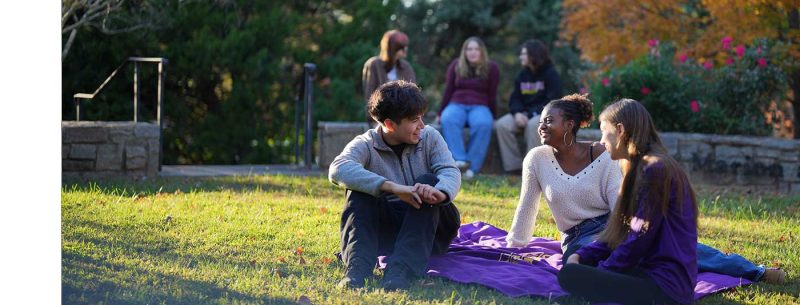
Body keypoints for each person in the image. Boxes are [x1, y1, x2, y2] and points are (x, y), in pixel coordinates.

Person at [503, 95, 786, 291]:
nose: (541, 126)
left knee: (673, 247)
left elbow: (619, 201)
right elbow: (527, 205)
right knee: (577, 267)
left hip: (611, 222)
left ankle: (754, 270)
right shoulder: (536, 159)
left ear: (569, 125)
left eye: (548, 120)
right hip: (577, 235)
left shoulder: (605, 153)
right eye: (541, 121)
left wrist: (620, 232)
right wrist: (514, 246)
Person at [329, 80, 461, 291]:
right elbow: (337, 169)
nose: (422, 125)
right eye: (414, 119)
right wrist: (392, 187)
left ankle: (401, 271)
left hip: (432, 229)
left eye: (421, 117)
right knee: (358, 190)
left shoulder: (430, 137)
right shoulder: (366, 143)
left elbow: (450, 171)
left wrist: (440, 192)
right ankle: (357, 270)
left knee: (427, 182)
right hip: (389, 230)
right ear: (390, 124)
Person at [494, 39, 562, 173]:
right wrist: (518, 113)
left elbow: (553, 101)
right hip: (523, 114)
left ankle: (533, 168)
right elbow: (515, 98)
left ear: (534, 55)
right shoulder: (522, 74)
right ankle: (513, 168)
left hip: (543, 114)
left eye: (524, 54)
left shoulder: (551, 74)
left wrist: (530, 114)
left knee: (533, 125)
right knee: (502, 125)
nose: (521, 57)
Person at [438, 37, 500, 179]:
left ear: (482, 51)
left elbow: (492, 94)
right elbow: (448, 90)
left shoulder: (492, 68)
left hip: (480, 105)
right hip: (456, 104)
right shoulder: (456, 65)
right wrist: (441, 112)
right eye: (469, 49)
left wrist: (493, 116)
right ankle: (460, 161)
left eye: (476, 49)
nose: (472, 52)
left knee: (484, 123)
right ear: (464, 52)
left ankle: (472, 168)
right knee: (448, 118)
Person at [362, 30, 417, 125]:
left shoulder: (406, 67)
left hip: (404, 117)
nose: (405, 49)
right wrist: (374, 119)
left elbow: (414, 94)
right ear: (392, 48)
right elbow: (369, 95)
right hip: (381, 118)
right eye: (401, 47)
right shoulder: (373, 65)